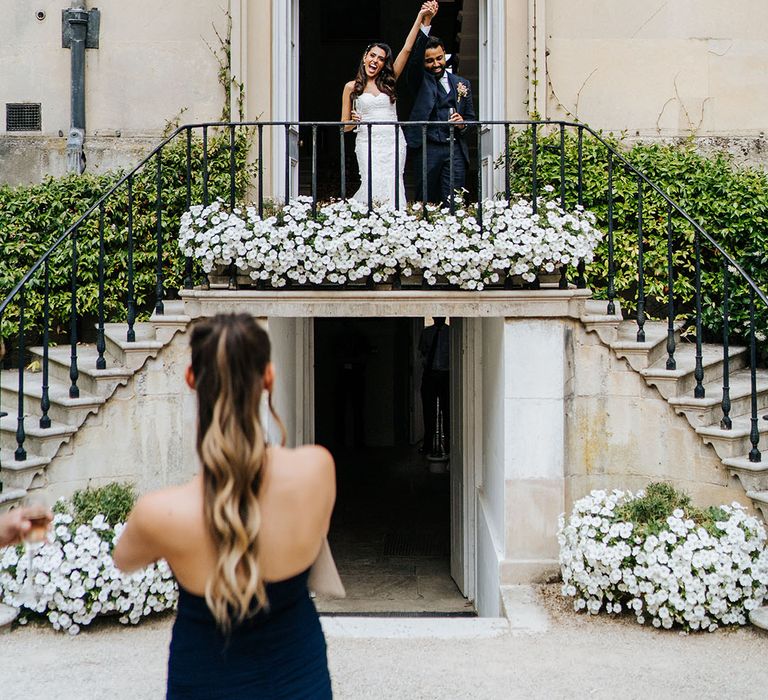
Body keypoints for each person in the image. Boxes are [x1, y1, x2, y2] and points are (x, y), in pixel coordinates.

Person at [113, 314, 336, 699]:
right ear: (268, 377)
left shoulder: (161, 513)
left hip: (203, 680)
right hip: (299, 676)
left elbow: (125, 560)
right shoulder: (316, 469)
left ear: (191, 379)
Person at [341, 3, 439, 209]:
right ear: (365, 57)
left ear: (384, 64)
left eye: (380, 59)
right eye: (372, 56)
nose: (375, 61)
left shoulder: (389, 80)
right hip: (367, 142)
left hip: (393, 142)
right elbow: (345, 127)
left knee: (392, 184)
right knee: (371, 184)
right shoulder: (351, 87)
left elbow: (407, 47)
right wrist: (353, 120)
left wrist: (421, 17)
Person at [403, 3, 477, 205]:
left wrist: (462, 123)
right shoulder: (419, 80)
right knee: (425, 199)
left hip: (455, 150)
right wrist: (426, 23)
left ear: (444, 53)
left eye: (439, 58)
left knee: (455, 200)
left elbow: (471, 120)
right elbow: (415, 57)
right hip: (428, 148)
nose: (435, 64)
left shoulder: (462, 84)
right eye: (429, 61)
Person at [419, 317, 450, 455]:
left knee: (448, 412)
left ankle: (449, 445)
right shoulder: (427, 333)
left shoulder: (451, 332)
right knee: (428, 412)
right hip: (430, 375)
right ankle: (428, 445)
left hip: (446, 375)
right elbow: (422, 351)